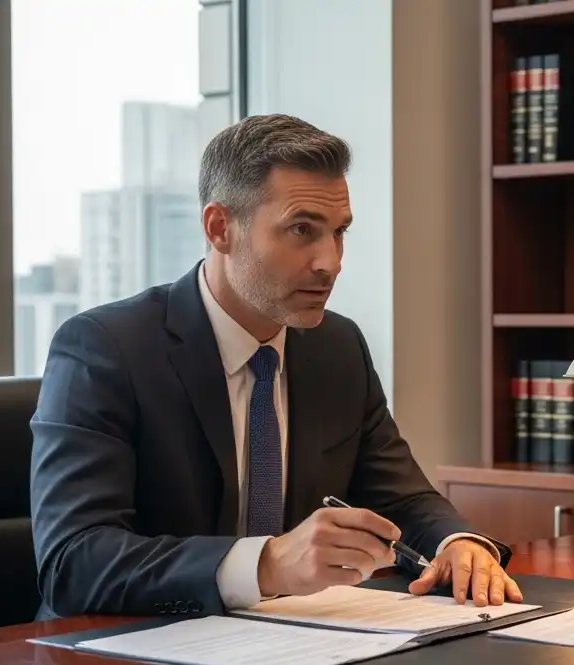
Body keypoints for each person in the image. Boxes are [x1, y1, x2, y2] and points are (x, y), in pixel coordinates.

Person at [30, 114, 521, 620]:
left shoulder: (337, 346)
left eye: (338, 233)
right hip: (118, 662)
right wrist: (266, 564)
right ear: (220, 228)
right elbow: (73, 562)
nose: (330, 262)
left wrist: (457, 544)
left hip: (291, 651)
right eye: (302, 230)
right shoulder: (106, 348)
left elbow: (401, 497)